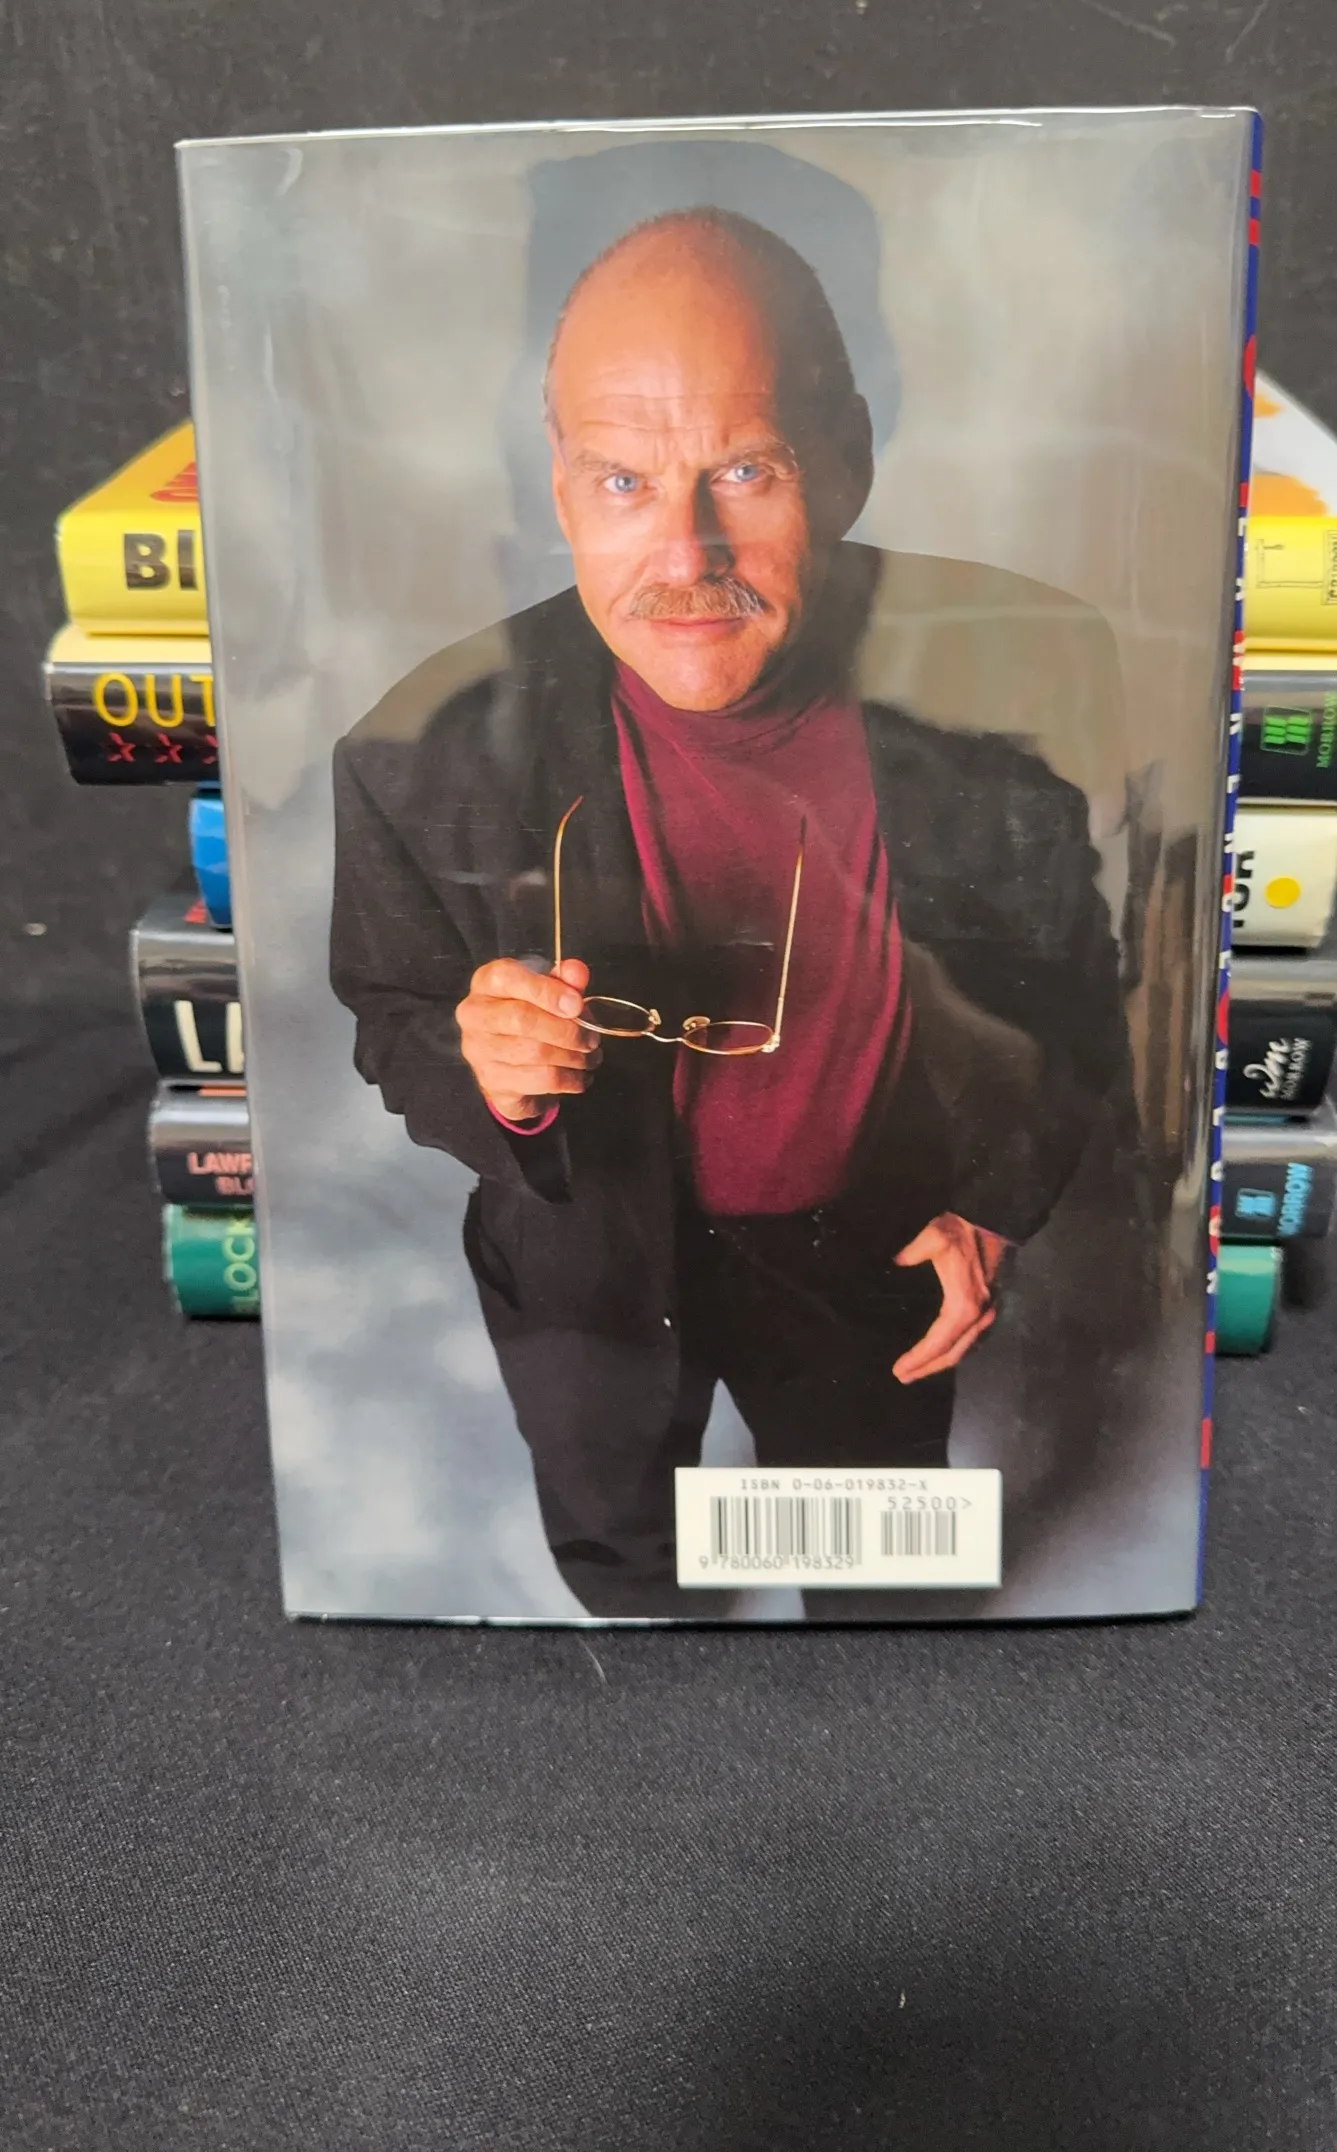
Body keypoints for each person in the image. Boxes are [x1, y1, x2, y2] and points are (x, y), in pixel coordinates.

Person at [330, 206, 1129, 1617]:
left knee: (877, 1599)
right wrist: (489, 1071)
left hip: (867, 1254)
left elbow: (1067, 991)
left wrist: (996, 1204)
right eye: (623, 480)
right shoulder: (413, 754)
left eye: (746, 470)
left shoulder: (1012, 705)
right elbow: (393, 1018)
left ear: (848, 461)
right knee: (630, 1583)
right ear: (563, 490)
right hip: (587, 1274)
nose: (686, 549)